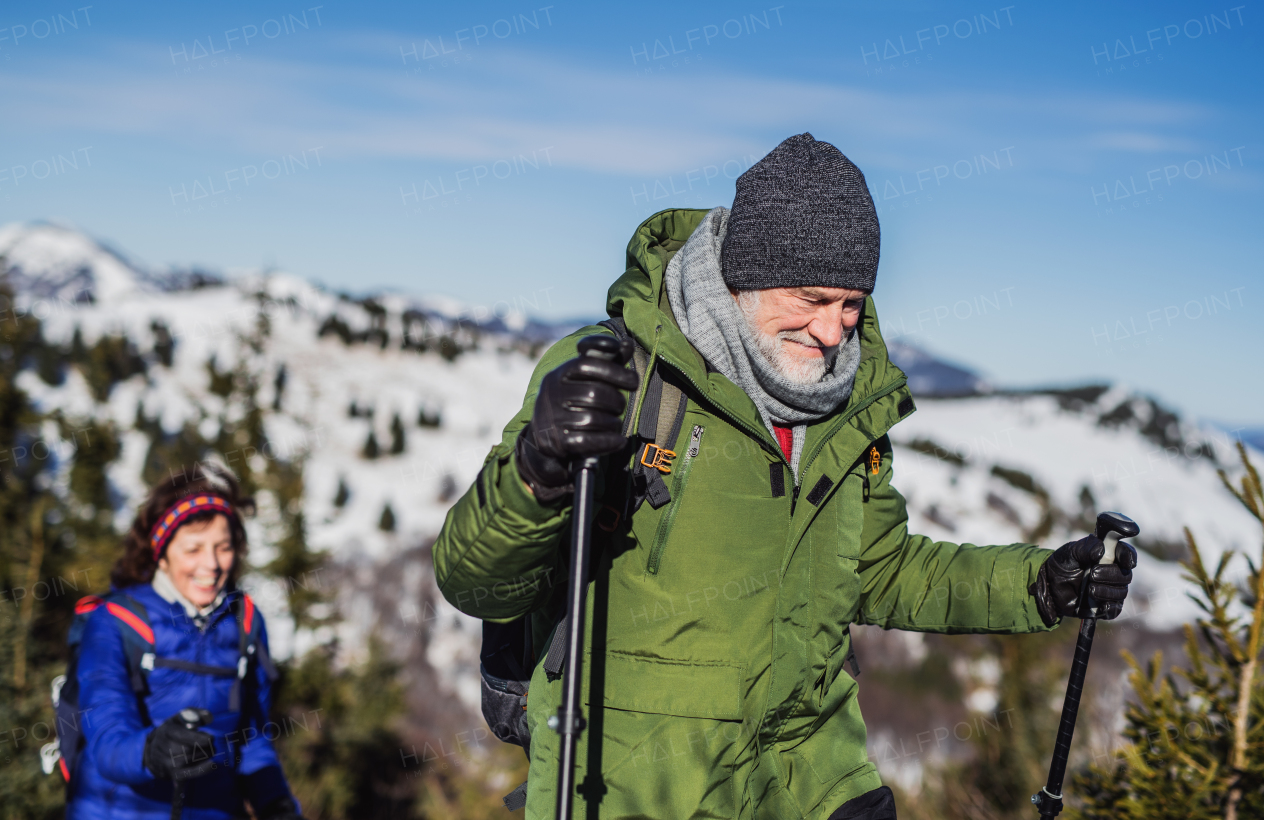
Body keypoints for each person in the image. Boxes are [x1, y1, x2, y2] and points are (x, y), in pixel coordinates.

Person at [432, 133, 1137, 820]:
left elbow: (879, 570)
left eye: (851, 303)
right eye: (810, 297)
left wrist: (1038, 584)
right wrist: (540, 468)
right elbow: (478, 580)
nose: (833, 332)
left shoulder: (846, 405)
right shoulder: (621, 378)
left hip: (813, 780)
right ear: (745, 275)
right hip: (638, 785)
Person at [69, 465, 302, 820]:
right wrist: (150, 751)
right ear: (161, 553)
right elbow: (106, 737)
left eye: (223, 548)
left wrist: (276, 802)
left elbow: (251, 736)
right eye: (193, 549)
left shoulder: (246, 624)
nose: (211, 564)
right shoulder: (115, 622)